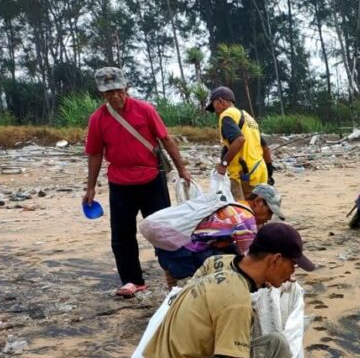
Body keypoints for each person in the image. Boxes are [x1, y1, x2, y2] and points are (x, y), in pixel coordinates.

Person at [144, 223, 332, 358]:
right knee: (277, 348)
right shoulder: (236, 300)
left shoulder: (219, 263)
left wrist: (265, 281)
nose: (292, 273)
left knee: (270, 342)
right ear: (275, 260)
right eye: (292, 265)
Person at [84, 67, 193, 298]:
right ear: (102, 95)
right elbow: (95, 153)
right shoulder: (98, 119)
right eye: (108, 92)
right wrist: (90, 186)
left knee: (162, 229)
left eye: (118, 90)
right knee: (122, 234)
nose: (115, 96)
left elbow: (166, 139)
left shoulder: (145, 110)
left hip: (152, 178)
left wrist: (182, 169)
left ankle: (172, 274)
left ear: (126, 88)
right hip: (119, 182)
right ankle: (132, 280)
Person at [155, 184, 285, 286]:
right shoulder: (246, 218)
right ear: (258, 202)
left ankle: (174, 283)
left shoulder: (234, 205)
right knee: (237, 264)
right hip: (186, 255)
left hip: (171, 249)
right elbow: (248, 257)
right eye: (269, 212)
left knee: (232, 250)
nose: (268, 218)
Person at [206, 86, 268, 201]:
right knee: (257, 208)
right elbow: (264, 144)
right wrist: (269, 168)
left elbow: (239, 139)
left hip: (243, 174)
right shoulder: (248, 117)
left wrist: (224, 163)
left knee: (242, 212)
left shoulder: (227, 115)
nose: (215, 111)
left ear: (221, 101)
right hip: (259, 170)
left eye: (214, 106)